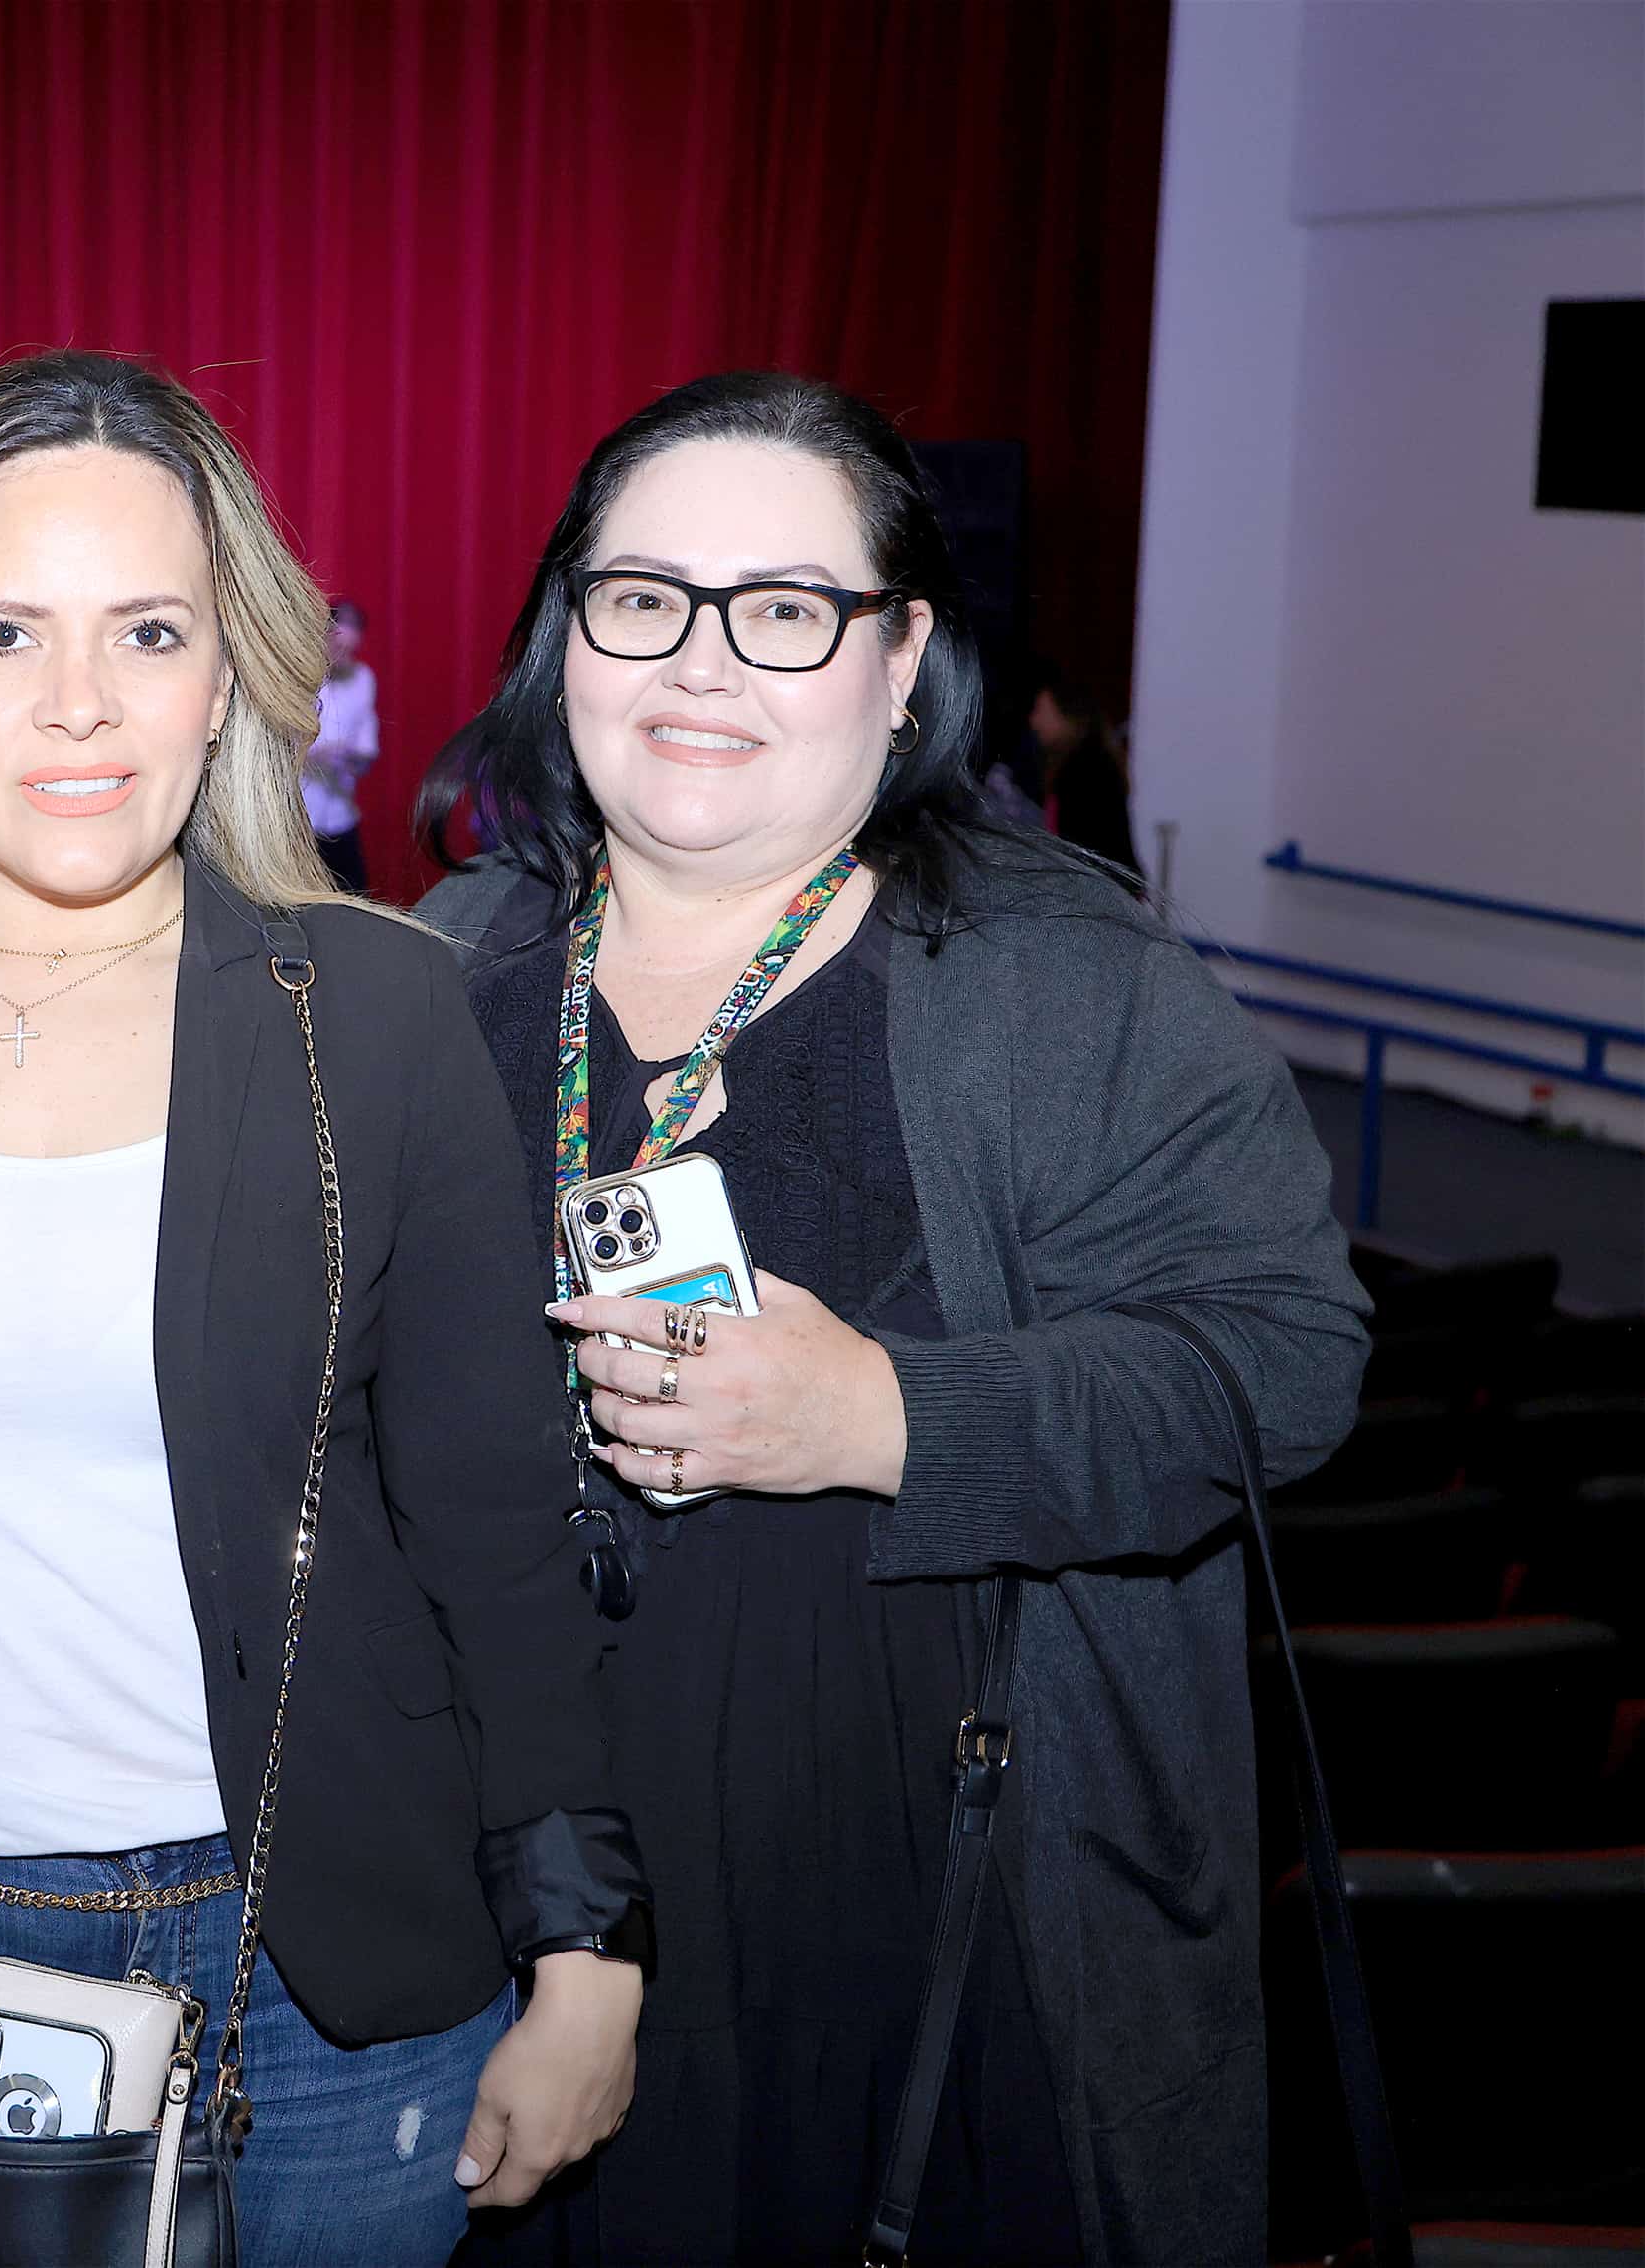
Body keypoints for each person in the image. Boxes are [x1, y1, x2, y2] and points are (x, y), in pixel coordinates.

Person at [0, 349, 645, 2267]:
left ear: (227, 672)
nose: (75, 705)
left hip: (330, 1968)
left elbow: (498, 1533)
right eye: (3, 632)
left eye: (145, 631)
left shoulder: (377, 1019)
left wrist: (583, 1941)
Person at [416, 370, 1367, 2266]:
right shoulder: (440, 966)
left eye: (781, 610)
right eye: (640, 598)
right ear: (563, 627)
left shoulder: (1055, 977)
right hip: (504, 1926)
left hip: (929, 1947)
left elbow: (1284, 1356)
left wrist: (895, 1425)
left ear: (897, 653)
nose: (698, 665)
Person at [1023, 658, 1141, 879]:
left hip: (1102, 889)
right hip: (1112, 886)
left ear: (1064, 715)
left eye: (1041, 710)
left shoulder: (1083, 769)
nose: (1034, 721)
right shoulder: (1091, 760)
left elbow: (1079, 845)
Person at [302, 597, 380, 893]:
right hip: (300, 819)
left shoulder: (363, 679)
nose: (344, 656)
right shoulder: (302, 679)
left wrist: (353, 758)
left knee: (354, 896)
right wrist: (316, 755)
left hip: (340, 813)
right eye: (338, 647)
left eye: (351, 649)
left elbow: (366, 747)